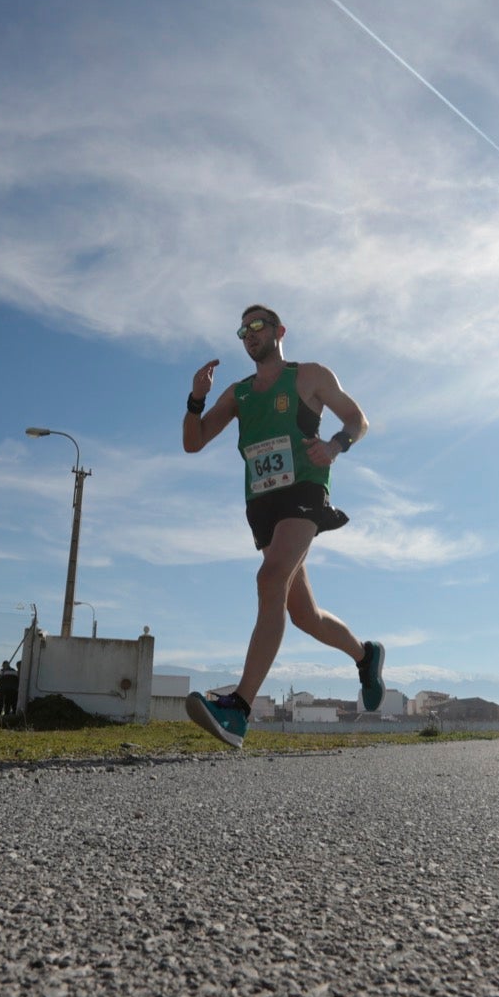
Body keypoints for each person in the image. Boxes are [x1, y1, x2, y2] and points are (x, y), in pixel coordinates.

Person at [180, 304, 385, 748]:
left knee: (269, 577)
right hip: (263, 507)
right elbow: (193, 442)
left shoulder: (309, 375)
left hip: (305, 492)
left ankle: (238, 710)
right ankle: (365, 656)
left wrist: (334, 445)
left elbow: (358, 419)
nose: (249, 333)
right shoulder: (239, 393)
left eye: (257, 325)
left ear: (279, 330)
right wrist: (196, 398)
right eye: (243, 330)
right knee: (303, 615)